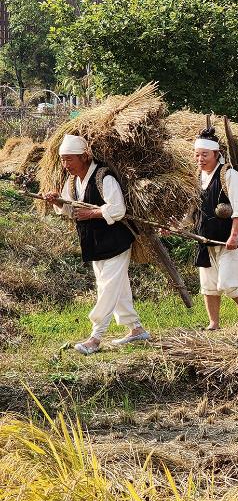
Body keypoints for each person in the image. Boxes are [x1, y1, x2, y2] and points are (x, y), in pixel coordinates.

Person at [42, 134, 149, 354]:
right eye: (63, 160)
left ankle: (95, 337)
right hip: (93, 243)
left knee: (108, 288)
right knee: (115, 286)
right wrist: (56, 201)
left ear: (84, 156)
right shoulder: (72, 181)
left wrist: (92, 213)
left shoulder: (103, 176)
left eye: (69, 159)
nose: (66, 165)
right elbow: (69, 208)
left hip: (115, 241)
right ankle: (136, 329)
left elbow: (118, 209)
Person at [191, 128, 238, 331]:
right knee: (209, 286)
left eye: (205, 154)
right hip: (206, 240)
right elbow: (190, 209)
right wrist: (175, 225)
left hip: (230, 242)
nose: (200, 159)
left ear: (216, 154)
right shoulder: (196, 178)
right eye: (197, 154)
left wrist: (234, 235)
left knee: (228, 283)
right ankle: (214, 323)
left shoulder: (229, 176)